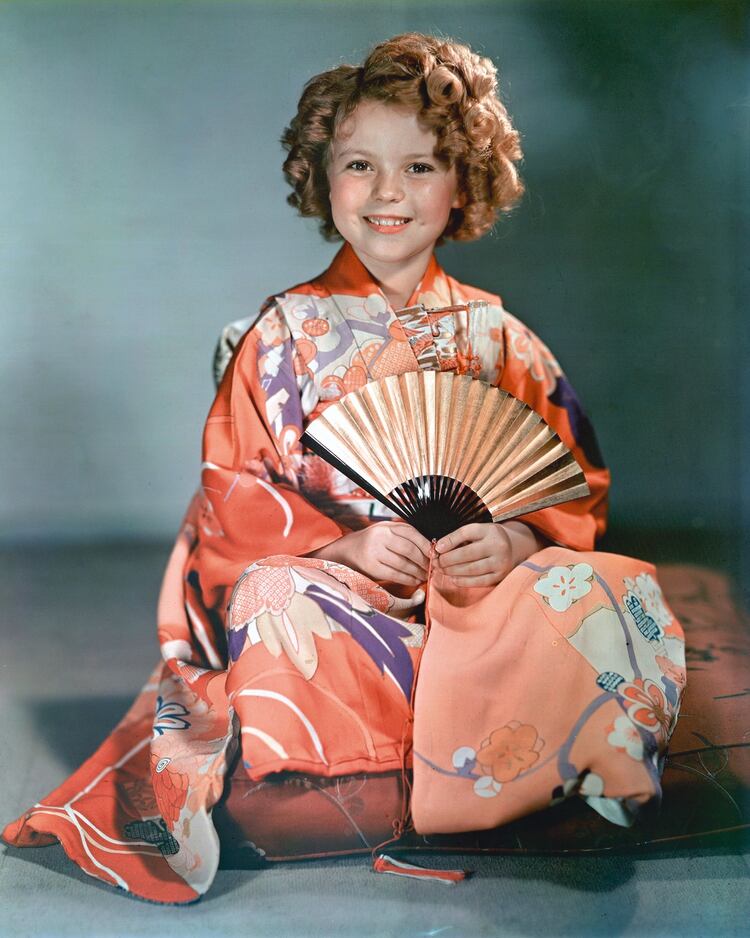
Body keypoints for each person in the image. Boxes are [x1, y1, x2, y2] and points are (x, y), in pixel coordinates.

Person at [3, 33, 686, 904]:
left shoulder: (498, 337)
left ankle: (461, 772)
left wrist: (514, 539)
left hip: (480, 601)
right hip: (349, 606)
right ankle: (432, 777)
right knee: (271, 600)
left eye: (421, 166)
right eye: (360, 165)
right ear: (322, 180)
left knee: (614, 590)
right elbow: (233, 501)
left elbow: (573, 484)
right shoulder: (283, 335)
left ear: (464, 184)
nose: (389, 193)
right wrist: (347, 553)